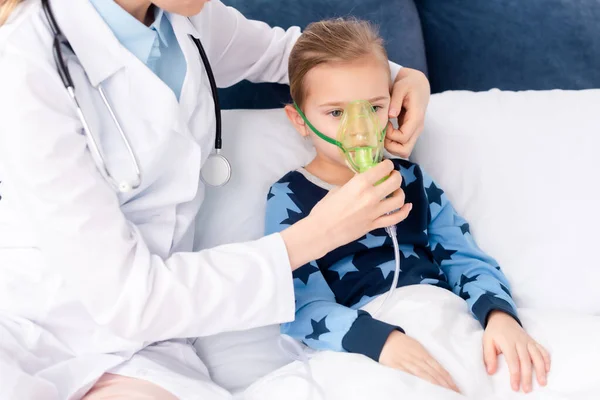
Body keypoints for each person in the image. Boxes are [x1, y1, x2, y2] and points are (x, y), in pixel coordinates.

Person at [0, 0, 431, 399]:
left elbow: (296, 56)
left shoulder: (184, 17)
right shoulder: (25, 66)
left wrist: (401, 75)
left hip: (147, 346)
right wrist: (317, 234)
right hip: (39, 331)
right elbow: (128, 299)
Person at [265, 18, 551, 395]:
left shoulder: (412, 181)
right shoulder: (290, 197)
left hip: (441, 317)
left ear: (392, 106)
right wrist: (380, 341)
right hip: (362, 338)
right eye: (336, 114)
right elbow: (300, 305)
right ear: (300, 121)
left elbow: (464, 258)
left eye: (373, 108)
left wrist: (499, 316)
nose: (360, 130)